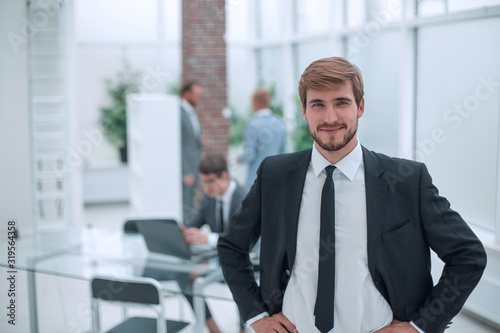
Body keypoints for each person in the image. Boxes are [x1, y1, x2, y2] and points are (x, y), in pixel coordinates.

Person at [217, 57, 487, 333]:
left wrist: (420, 327)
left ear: (360, 106)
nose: (330, 117)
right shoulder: (275, 175)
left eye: (341, 103)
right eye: (318, 104)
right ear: (304, 111)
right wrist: (256, 316)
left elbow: (469, 256)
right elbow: (231, 246)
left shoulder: (407, 181)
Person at [181, 154, 248, 333]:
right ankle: (214, 330)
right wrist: (184, 233)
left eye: (209, 181)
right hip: (218, 260)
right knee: (185, 278)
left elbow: (242, 239)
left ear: (224, 176)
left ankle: (243, 330)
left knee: (240, 280)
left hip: (247, 259)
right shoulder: (209, 197)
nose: (205, 187)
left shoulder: (245, 197)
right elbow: (193, 224)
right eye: (202, 182)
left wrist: (208, 239)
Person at [238, 87, 287, 188]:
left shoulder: (252, 124)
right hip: (276, 177)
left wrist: (238, 159)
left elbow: (250, 153)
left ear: (255, 102)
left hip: (256, 178)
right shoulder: (280, 123)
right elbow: (285, 153)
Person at [180, 81, 204, 223]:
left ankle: (189, 229)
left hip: (194, 166)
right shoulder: (179, 112)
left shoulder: (191, 112)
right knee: (185, 203)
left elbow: (189, 141)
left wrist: (199, 143)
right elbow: (178, 145)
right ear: (186, 94)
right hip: (187, 169)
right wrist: (184, 172)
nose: (199, 98)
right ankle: (185, 231)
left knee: (191, 202)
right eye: (196, 95)